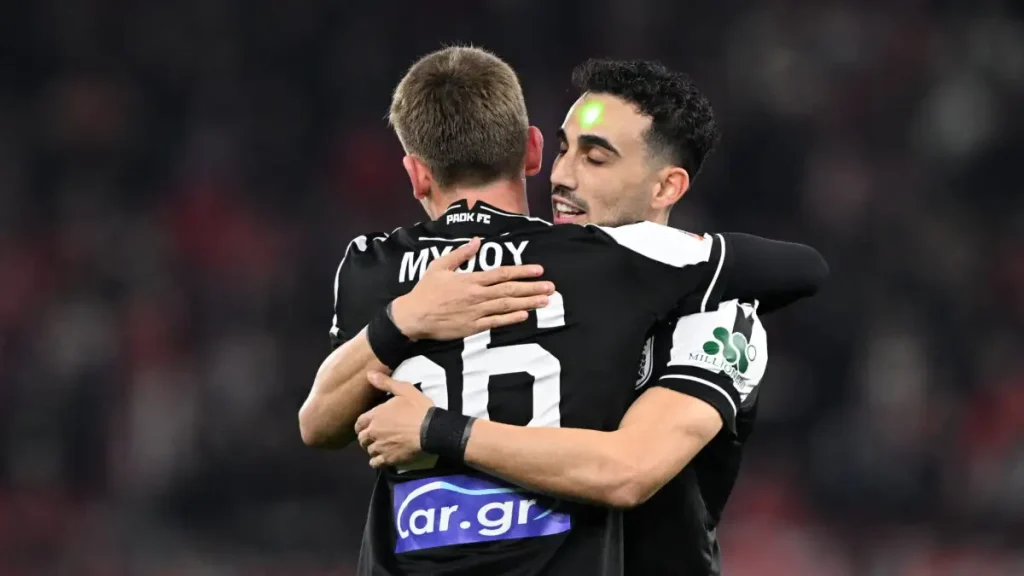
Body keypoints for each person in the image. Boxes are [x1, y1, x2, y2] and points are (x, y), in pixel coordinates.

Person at [299, 48, 824, 576]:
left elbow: (628, 469)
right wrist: (402, 320)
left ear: (666, 186)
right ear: (533, 150)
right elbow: (317, 423)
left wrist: (438, 429)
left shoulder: (720, 318)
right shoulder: (533, 276)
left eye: (595, 158)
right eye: (563, 148)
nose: (562, 176)